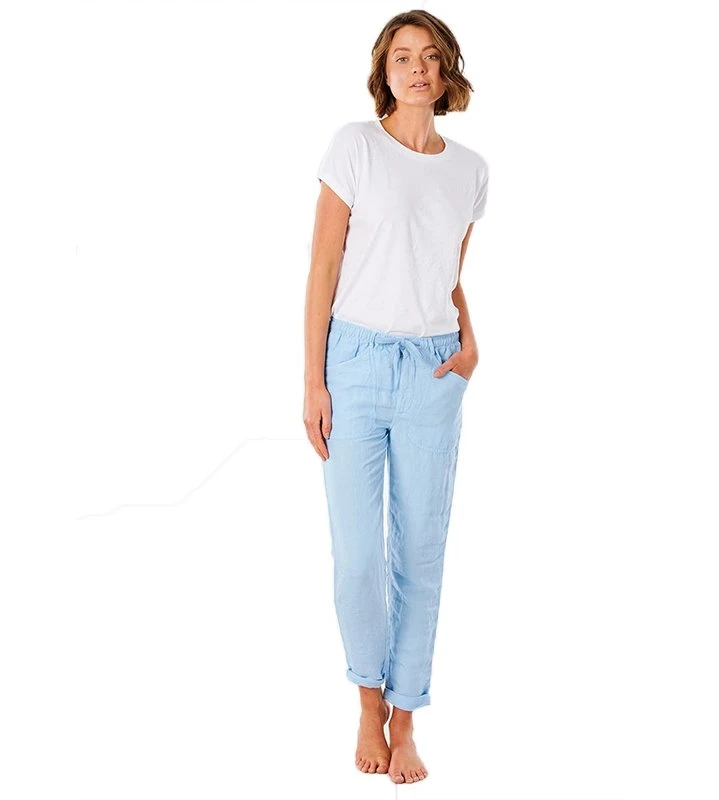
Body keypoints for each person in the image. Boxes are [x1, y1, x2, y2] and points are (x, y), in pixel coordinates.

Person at [303, 9, 489, 785]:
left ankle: (406, 717)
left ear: (447, 73)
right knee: (357, 559)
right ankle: (368, 699)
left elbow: (446, 271)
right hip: (353, 363)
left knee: (419, 552)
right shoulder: (354, 147)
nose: (417, 69)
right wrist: (312, 380)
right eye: (403, 56)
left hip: (434, 370)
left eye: (431, 56)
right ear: (384, 71)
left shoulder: (469, 170)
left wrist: (470, 340)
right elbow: (323, 268)